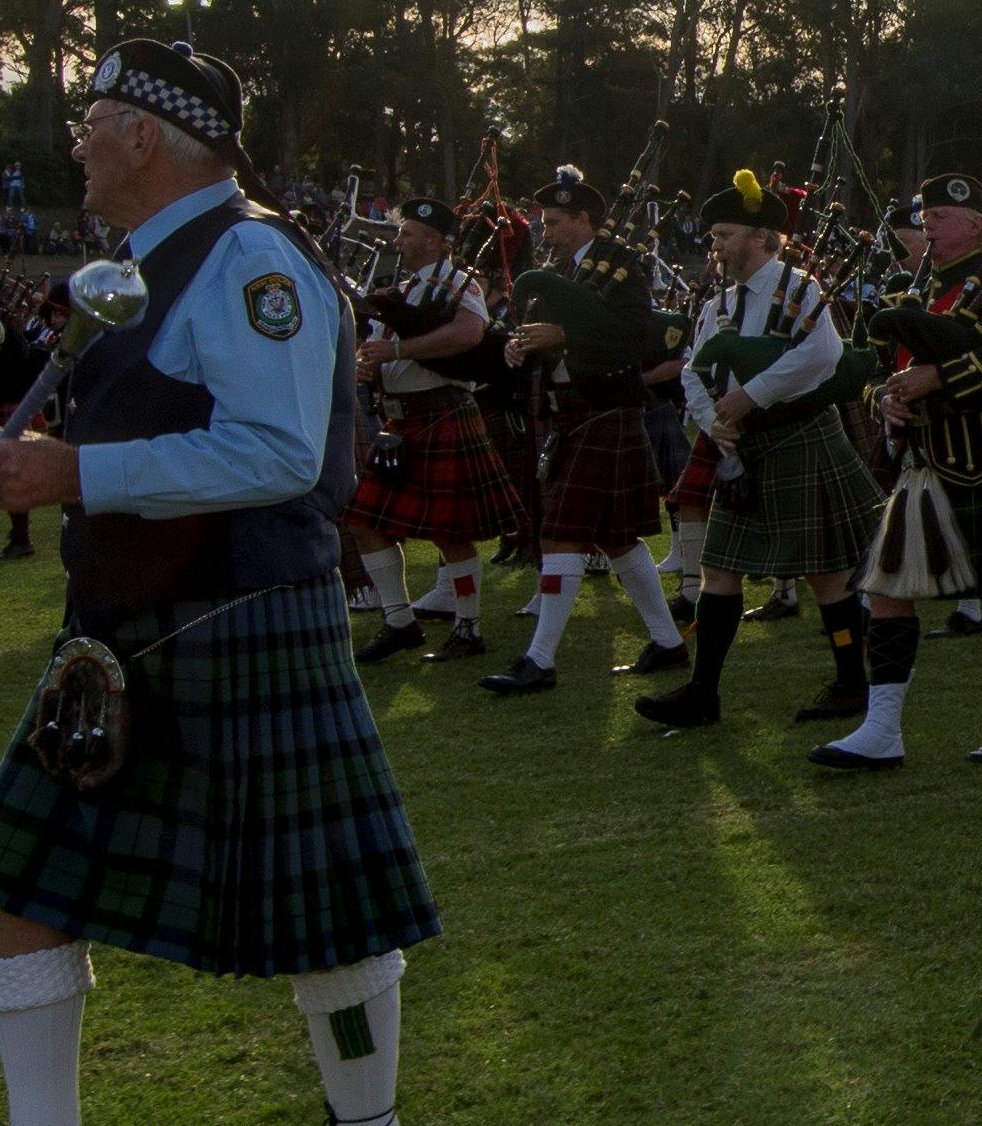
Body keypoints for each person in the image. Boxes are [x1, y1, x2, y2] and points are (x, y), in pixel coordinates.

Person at [0, 43, 442, 1126]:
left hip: (241, 614)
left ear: (145, 132)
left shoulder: (251, 257)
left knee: (324, 905)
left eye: (91, 120)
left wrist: (73, 470)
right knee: (7, 879)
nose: (76, 141)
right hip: (134, 624)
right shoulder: (147, 266)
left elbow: (280, 452)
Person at [833, 178, 982, 770]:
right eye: (925, 216)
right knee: (887, 592)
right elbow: (879, 369)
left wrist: (937, 380)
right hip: (923, 461)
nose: (927, 226)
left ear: (972, 222)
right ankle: (881, 728)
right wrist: (883, 401)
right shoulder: (913, 288)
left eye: (939, 216)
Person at [646, 168, 884, 732]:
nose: (716, 245)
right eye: (713, 236)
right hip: (741, 449)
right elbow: (694, 372)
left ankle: (852, 680)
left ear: (760, 237)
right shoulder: (719, 303)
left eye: (725, 234)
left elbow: (821, 356)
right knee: (718, 569)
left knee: (827, 573)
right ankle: (703, 693)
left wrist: (749, 398)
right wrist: (715, 424)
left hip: (800, 438)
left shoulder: (800, 288)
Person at [483, 167, 685, 693]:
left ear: (582, 219)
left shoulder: (622, 265)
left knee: (560, 533)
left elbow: (635, 336)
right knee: (617, 540)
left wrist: (565, 334)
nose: (545, 231)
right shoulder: (561, 271)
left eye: (554, 222)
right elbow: (537, 329)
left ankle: (540, 660)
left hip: (605, 408)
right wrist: (520, 344)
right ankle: (668, 643)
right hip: (569, 412)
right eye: (543, 221)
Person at [345, 200, 518, 657]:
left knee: (451, 533)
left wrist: (396, 351)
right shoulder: (402, 289)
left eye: (408, 233)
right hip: (399, 421)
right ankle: (400, 621)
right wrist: (373, 366)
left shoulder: (461, 285)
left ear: (435, 241)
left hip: (442, 413)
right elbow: (385, 349)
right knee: (364, 522)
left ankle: (468, 628)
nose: (399, 240)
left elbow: (469, 335)